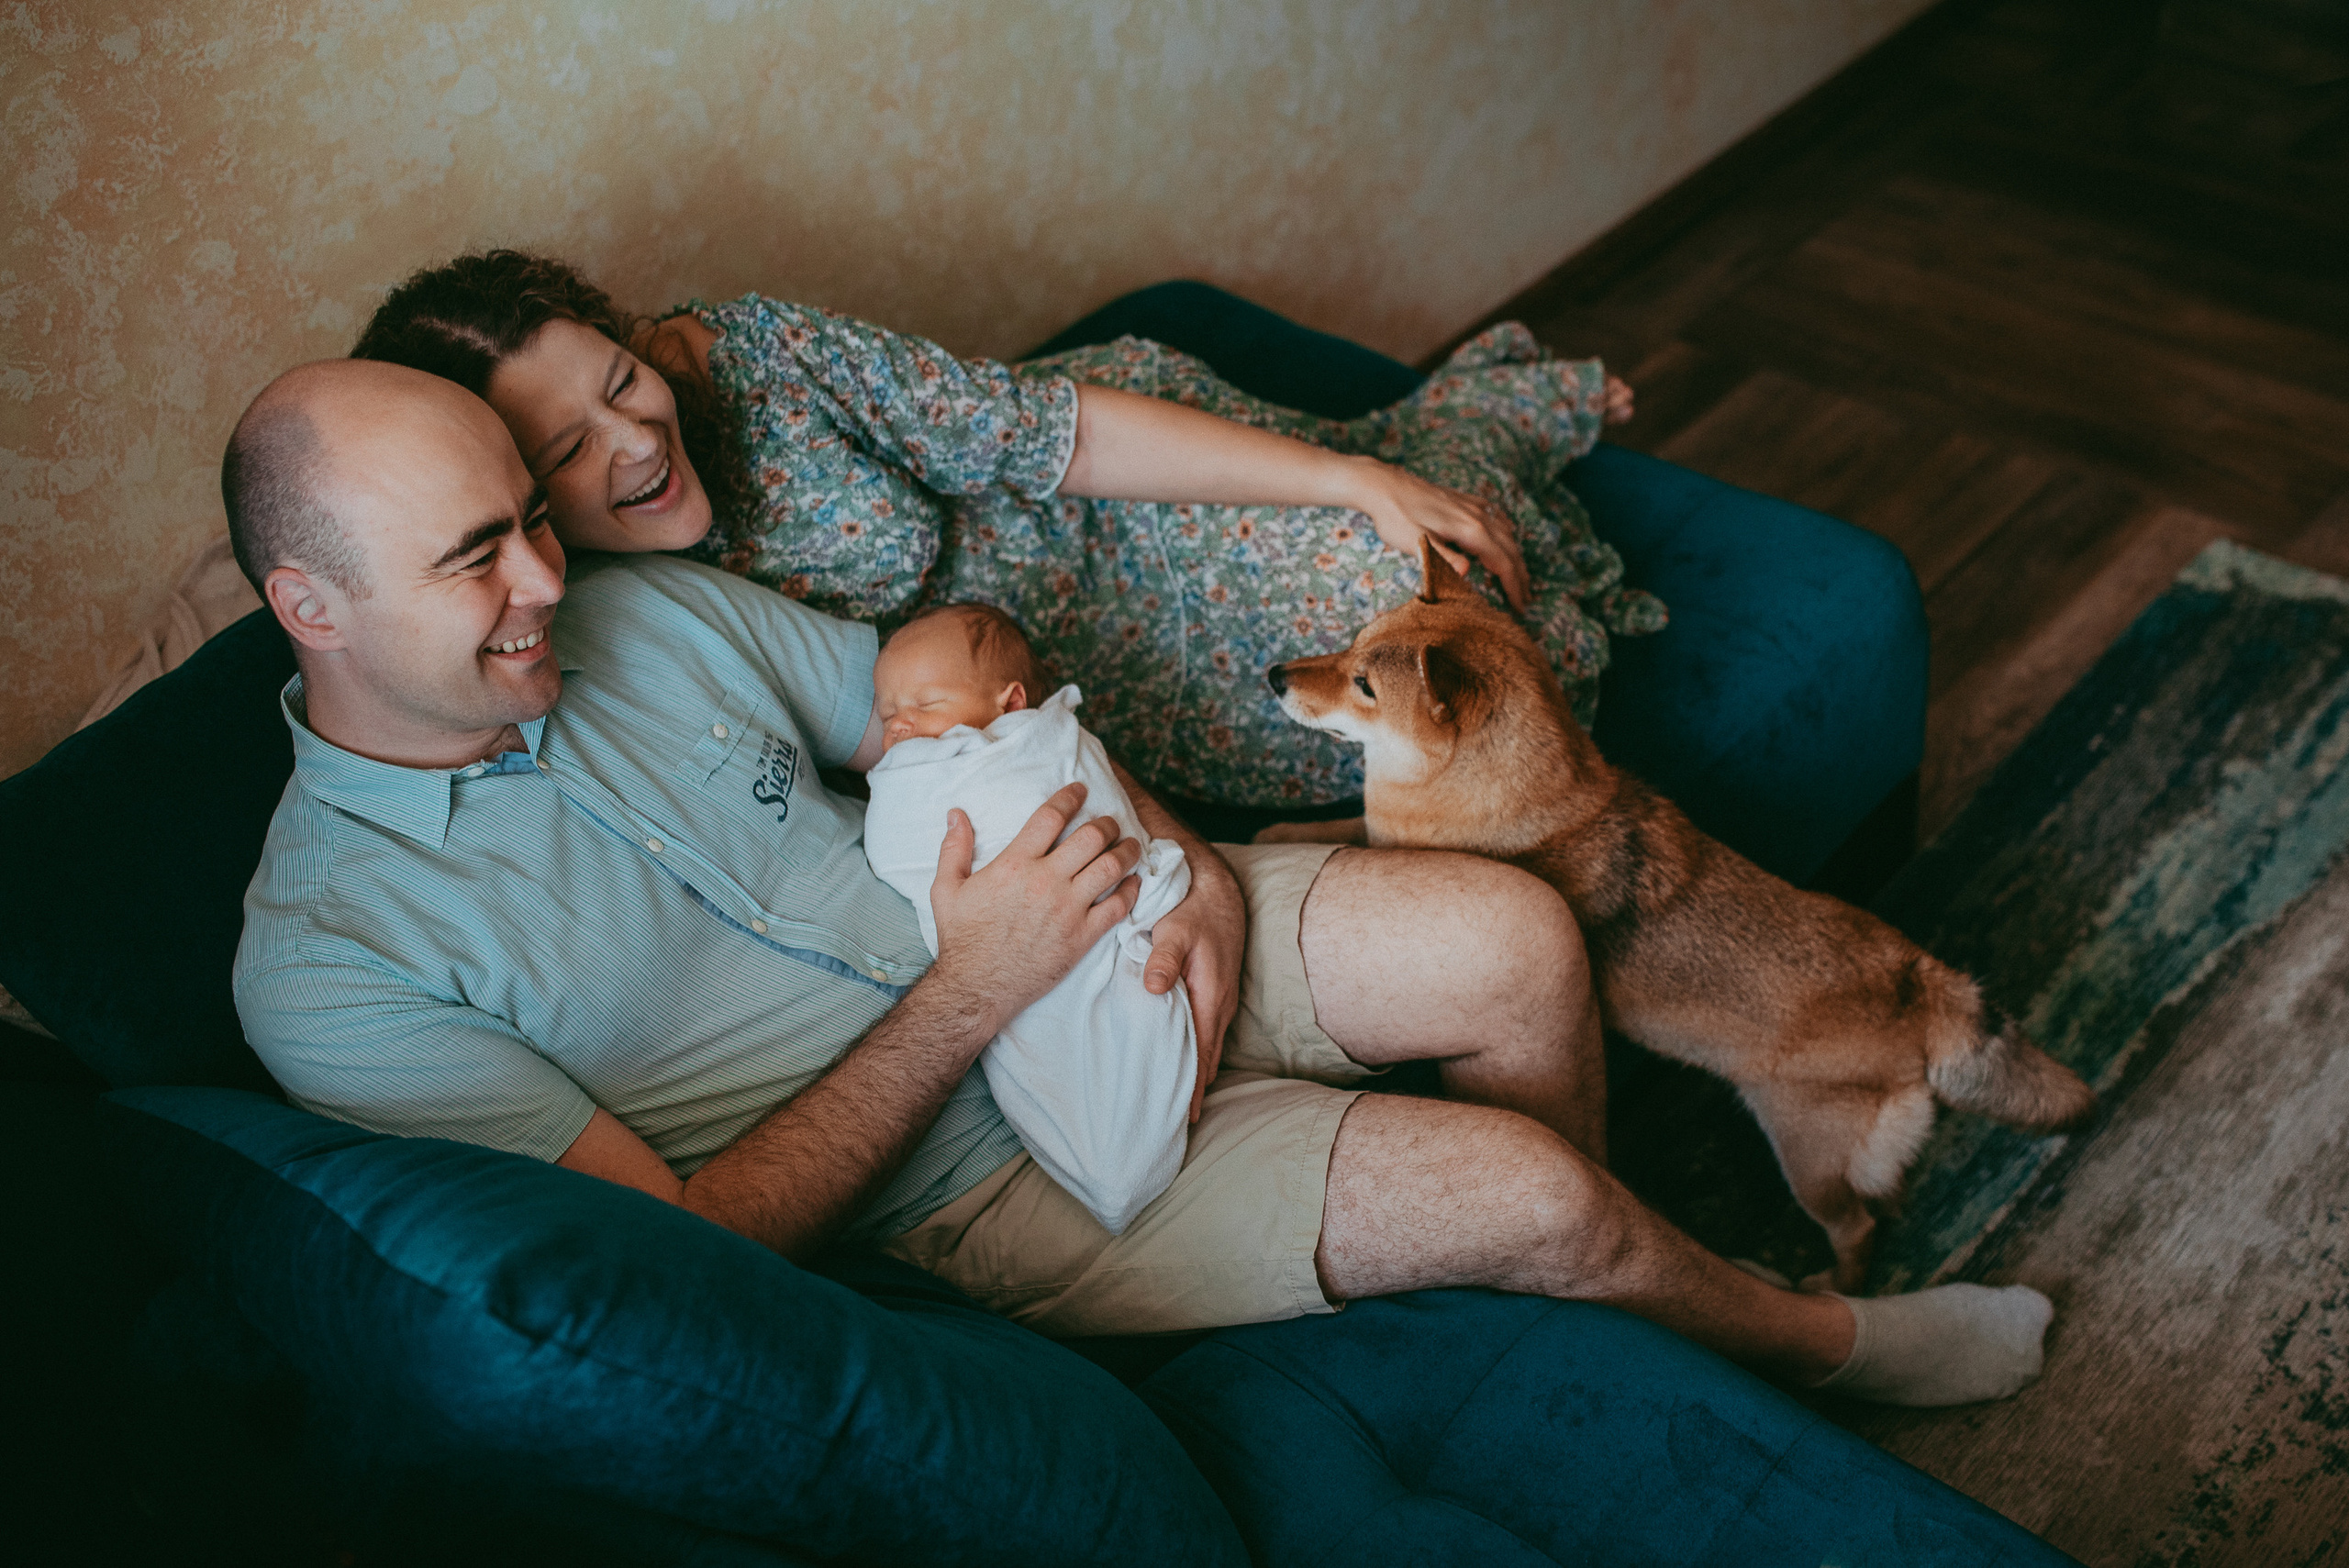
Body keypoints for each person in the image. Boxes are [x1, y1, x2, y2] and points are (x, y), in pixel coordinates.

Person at [225, 356, 2057, 1409]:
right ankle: (1815, 1342)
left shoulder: (653, 618)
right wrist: (974, 982)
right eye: (480, 554)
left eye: (531, 518)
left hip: (1112, 909)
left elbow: (984, 719)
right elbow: (682, 1258)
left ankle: (1551, 1272)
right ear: (312, 604)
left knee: (1509, 933)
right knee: (1523, 1191)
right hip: (966, 1170)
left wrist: (1177, 866)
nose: (549, 574)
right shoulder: (332, 960)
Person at [349, 250, 1662, 811]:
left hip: (1104, 508)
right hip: (1046, 667)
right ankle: (1444, 431)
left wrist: (1346, 482)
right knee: (1408, 750)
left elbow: (1061, 436)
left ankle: (1470, 419)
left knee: (1468, 624)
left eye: (624, 380)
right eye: (571, 449)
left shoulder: (754, 357)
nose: (637, 440)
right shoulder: (551, 602)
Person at [863, 604, 1194, 1234]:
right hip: (1007, 958)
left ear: (1011, 703)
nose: (901, 726)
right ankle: (1124, 1142)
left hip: (1116, 914)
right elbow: (895, 843)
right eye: (886, 715)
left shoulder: (1048, 739)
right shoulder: (916, 778)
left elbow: (1079, 794)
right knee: (1060, 1046)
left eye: (925, 706)